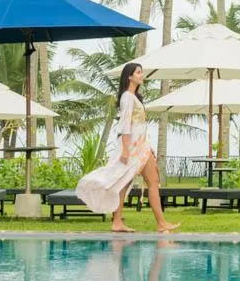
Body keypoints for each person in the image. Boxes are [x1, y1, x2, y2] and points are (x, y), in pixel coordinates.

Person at [75, 62, 179, 234]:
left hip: (141, 148)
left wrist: (148, 147)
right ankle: (160, 223)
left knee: (127, 183)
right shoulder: (127, 98)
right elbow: (125, 125)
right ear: (129, 76)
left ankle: (118, 222)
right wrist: (125, 150)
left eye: (141, 72)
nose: (141, 75)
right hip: (133, 149)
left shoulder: (134, 97)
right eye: (138, 72)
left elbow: (139, 127)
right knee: (151, 183)